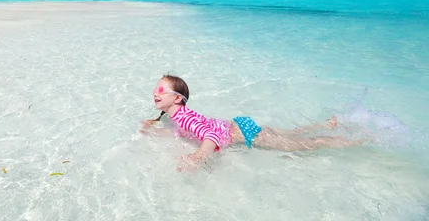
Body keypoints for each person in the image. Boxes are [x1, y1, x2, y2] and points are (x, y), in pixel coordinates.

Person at [140, 74, 363, 171]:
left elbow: (211, 136)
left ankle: (353, 141)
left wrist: (198, 157)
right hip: (239, 126)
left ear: (177, 98)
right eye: (154, 90)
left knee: (305, 145)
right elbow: (186, 133)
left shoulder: (184, 117)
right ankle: (326, 124)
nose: (155, 93)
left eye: (160, 90)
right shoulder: (178, 117)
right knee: (292, 134)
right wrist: (156, 132)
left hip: (244, 134)